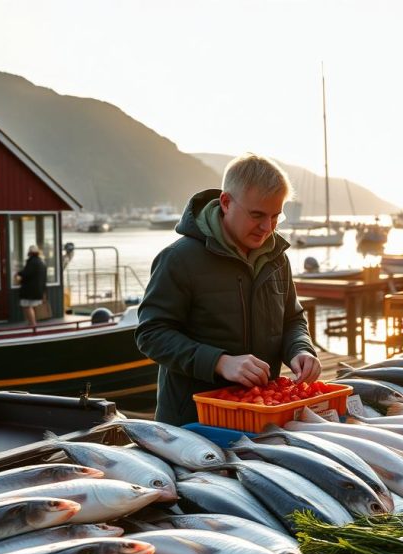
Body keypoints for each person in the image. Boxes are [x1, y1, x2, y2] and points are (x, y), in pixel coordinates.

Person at [136, 153, 321, 425]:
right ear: (226, 202)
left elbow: (292, 319)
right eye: (257, 215)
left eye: (275, 217)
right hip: (192, 424)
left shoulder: (277, 257)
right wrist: (220, 362)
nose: (267, 228)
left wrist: (300, 349)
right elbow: (151, 334)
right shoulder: (178, 259)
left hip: (262, 418)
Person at [16, 245, 47, 326]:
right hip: (38, 289)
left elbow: (27, 273)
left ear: (30, 253)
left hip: (29, 290)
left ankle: (32, 324)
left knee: (27, 306)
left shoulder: (32, 261)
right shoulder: (41, 262)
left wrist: (18, 273)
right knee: (32, 306)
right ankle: (32, 323)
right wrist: (44, 291)